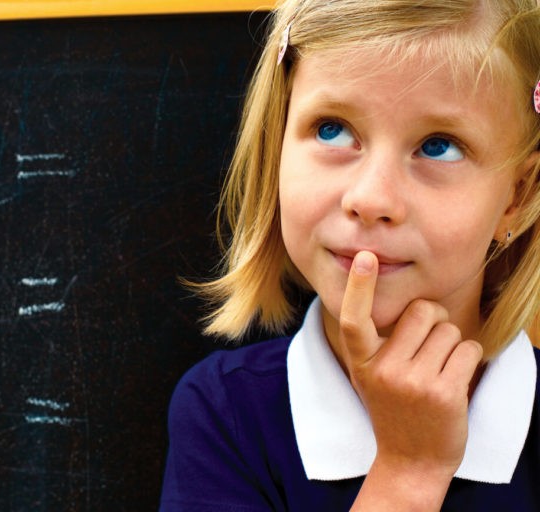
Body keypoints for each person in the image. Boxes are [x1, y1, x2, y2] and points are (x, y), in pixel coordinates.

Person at [160, 0, 540, 510]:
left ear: (518, 195)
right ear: (276, 147)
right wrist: (407, 474)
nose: (371, 199)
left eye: (438, 146)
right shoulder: (225, 413)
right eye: (332, 130)